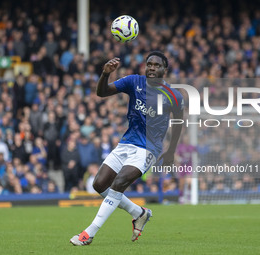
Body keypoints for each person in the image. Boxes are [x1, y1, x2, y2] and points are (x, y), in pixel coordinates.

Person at [70, 51, 184, 246]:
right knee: (99, 184)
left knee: (119, 182)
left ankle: (89, 233)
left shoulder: (174, 95)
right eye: (149, 64)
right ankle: (139, 213)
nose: (152, 68)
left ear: (165, 69)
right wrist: (105, 74)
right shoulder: (134, 82)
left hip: (148, 148)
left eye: (157, 65)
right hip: (126, 142)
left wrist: (171, 151)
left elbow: (179, 123)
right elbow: (102, 92)